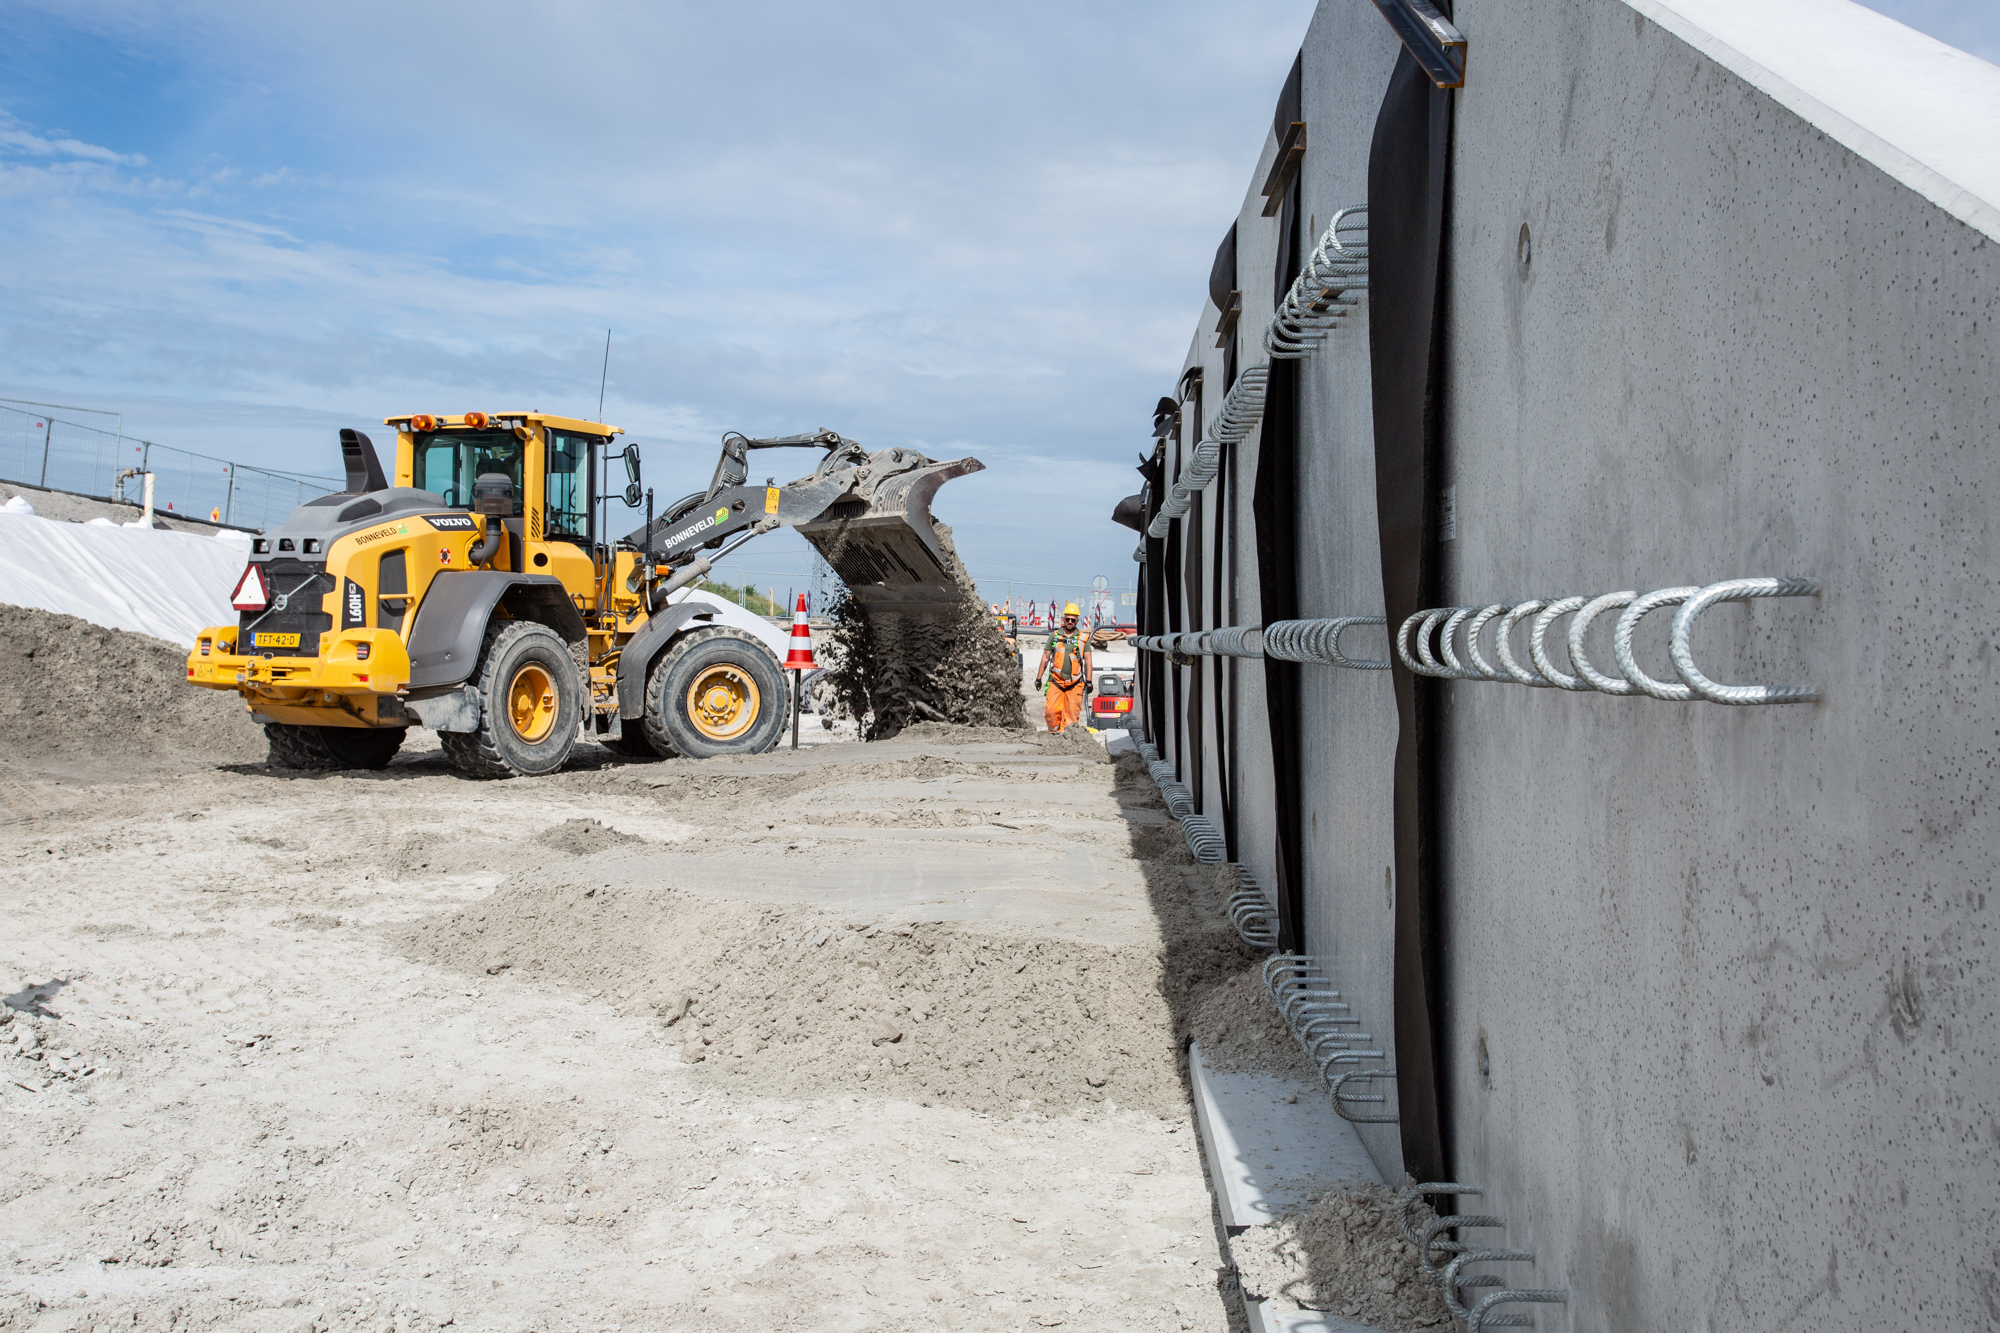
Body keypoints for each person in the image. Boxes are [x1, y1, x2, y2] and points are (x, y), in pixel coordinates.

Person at [1035, 604, 1093, 732]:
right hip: (1056, 682)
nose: (1070, 622)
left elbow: (1088, 661)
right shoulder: (1055, 636)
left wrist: (1089, 681)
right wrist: (1038, 678)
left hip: (1075, 683)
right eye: (1068, 619)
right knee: (1051, 712)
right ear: (1064, 620)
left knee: (1071, 717)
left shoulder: (1083, 639)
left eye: (1073, 620)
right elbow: (1045, 658)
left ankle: (1067, 743)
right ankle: (1054, 738)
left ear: (1077, 621)